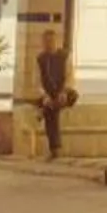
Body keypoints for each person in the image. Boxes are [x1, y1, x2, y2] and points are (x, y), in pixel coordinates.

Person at [34, 27, 74, 159]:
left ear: (56, 41)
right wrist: (45, 96)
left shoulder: (65, 56)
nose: (48, 44)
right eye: (46, 42)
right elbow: (37, 82)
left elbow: (70, 77)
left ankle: (44, 110)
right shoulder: (40, 59)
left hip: (64, 93)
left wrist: (63, 92)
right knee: (51, 109)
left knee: (52, 107)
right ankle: (55, 148)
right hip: (48, 95)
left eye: (51, 41)